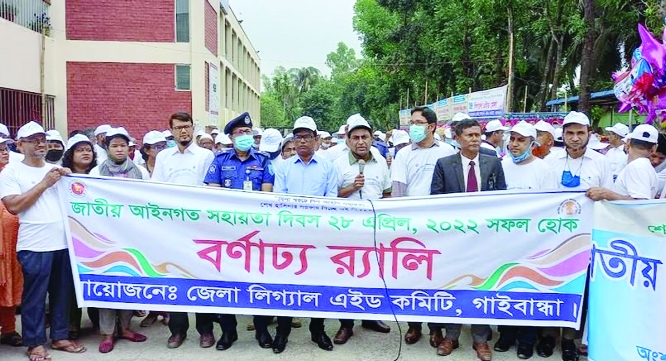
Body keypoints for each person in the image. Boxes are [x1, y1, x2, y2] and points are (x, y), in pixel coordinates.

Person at [0, 121, 86, 361]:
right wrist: (45, 183)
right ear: (20, 145)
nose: (40, 144)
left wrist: (73, 181)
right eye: (33, 140)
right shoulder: (12, 172)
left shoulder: (56, 168)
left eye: (42, 139)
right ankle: (34, 342)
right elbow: (14, 206)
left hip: (62, 242)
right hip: (34, 244)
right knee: (35, 297)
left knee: (61, 293)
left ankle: (59, 336)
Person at [430, 118, 505, 361]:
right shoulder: (444, 164)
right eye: (470, 135)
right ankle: (451, 335)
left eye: (478, 134)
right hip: (454, 239)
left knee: (482, 286)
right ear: (457, 138)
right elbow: (436, 200)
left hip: (485, 239)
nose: (475, 139)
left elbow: (502, 199)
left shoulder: (493, 163)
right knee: (453, 285)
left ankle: (480, 340)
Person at [543, 111, 612, 361]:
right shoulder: (551, 160)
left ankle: (570, 340)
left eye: (580, 133)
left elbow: (609, 198)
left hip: (586, 237)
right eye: (569, 133)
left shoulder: (600, 162)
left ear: (589, 134)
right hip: (554, 236)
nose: (574, 138)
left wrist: (603, 193)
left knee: (579, 290)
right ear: (562, 135)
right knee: (552, 285)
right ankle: (549, 335)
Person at [204, 112, 274, 351]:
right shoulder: (220, 161)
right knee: (225, 282)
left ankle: (262, 329)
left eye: (248, 132)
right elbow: (212, 194)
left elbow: (267, 194)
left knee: (258, 281)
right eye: (240, 133)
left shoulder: (264, 161)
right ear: (231, 137)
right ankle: (228, 332)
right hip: (226, 232)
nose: (245, 136)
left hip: (256, 233)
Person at [272, 116, 338, 354]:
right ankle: (282, 333)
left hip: (319, 236)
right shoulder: (284, 166)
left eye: (306, 137)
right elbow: (279, 200)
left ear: (316, 140)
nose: (301, 141)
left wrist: (313, 219)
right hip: (290, 236)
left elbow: (331, 200)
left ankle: (317, 330)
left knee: (318, 283)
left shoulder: (328, 167)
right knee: (287, 285)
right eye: (297, 137)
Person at [151, 113, 215, 349]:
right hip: (171, 227)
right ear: (171, 130)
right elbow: (156, 190)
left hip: (199, 227)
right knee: (174, 277)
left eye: (187, 126)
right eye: (178, 128)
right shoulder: (164, 157)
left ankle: (205, 330)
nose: (183, 132)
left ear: (193, 128)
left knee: (201, 277)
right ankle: (177, 330)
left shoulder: (205, 155)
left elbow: (209, 190)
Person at [494, 122, 557, 359]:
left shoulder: (544, 170)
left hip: (533, 242)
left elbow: (550, 207)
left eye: (521, 140)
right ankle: (506, 334)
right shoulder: (502, 165)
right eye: (512, 139)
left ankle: (527, 340)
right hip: (505, 241)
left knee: (530, 290)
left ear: (533, 144)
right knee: (505, 287)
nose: (515, 144)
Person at [88, 127, 149, 352]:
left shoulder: (140, 171)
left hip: (132, 234)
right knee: (108, 283)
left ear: (129, 148)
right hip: (105, 235)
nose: (120, 149)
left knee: (129, 281)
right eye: (115, 145)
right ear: (107, 148)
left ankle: (125, 328)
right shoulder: (96, 172)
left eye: (123, 145)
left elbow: (148, 200)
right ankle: (107, 333)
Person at [332, 116, 392, 345]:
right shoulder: (338, 164)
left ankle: (370, 318)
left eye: (364, 137)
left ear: (371, 139)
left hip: (374, 229)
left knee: (373, 275)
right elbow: (330, 197)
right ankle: (346, 325)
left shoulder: (381, 162)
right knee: (347, 277)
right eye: (355, 137)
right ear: (347, 141)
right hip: (346, 231)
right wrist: (350, 188)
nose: (360, 142)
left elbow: (386, 194)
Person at [61, 134, 99, 338]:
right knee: (70, 282)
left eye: (88, 150)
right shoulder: (61, 176)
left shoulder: (100, 176)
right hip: (69, 237)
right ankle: (72, 324)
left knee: (93, 277)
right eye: (80, 150)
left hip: (95, 238)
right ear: (70, 154)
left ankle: (97, 321)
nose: (86, 153)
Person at [587, 124, 659, 201]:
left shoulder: (637, 166)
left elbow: (640, 204)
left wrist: (607, 194)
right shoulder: (645, 166)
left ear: (628, 143)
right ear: (654, 148)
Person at [0, 136, 23, 348]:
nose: (5, 152)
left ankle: (8, 329)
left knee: (9, 284)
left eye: (6, 147)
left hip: (12, 245)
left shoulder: (13, 176)